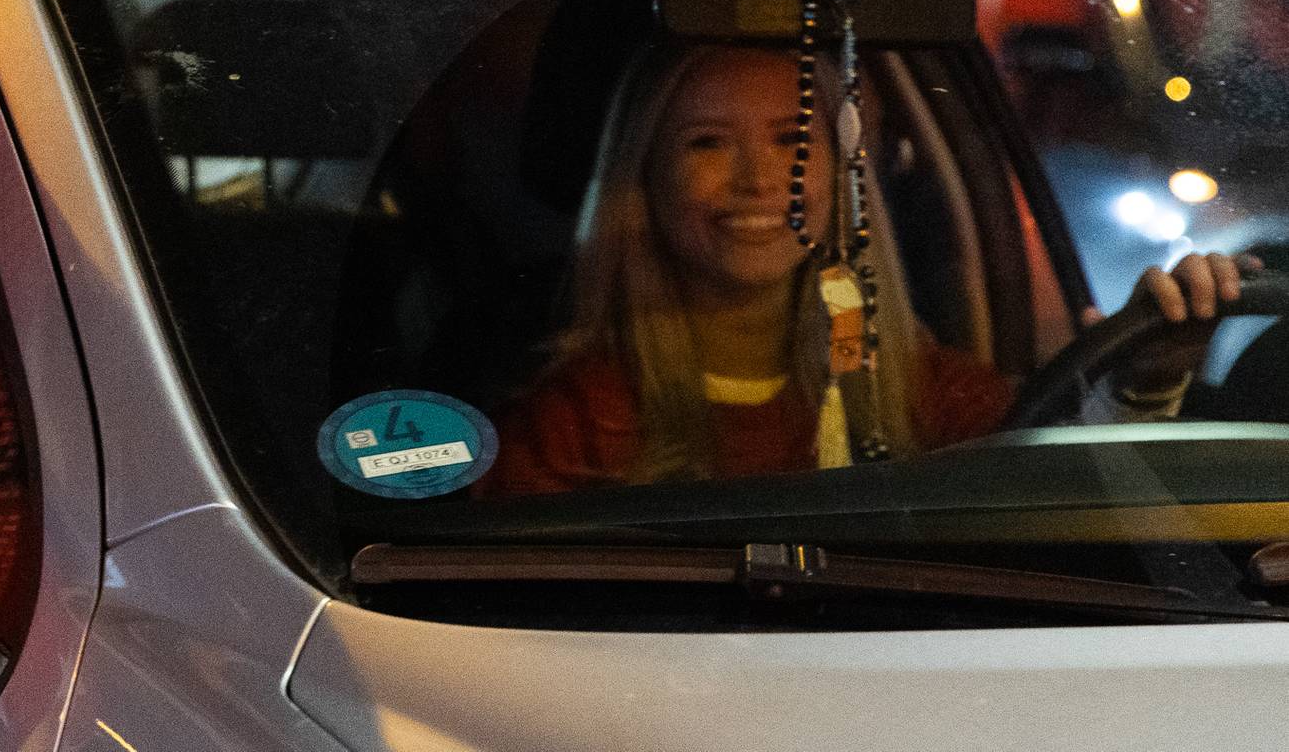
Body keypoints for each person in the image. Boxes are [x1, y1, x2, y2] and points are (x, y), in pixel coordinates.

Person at [484, 42, 1255, 495]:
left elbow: (1056, 495)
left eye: (793, 140)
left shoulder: (917, 390)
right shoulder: (576, 421)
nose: (760, 179)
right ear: (644, 184)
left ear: (841, 179)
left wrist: (1148, 378)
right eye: (707, 143)